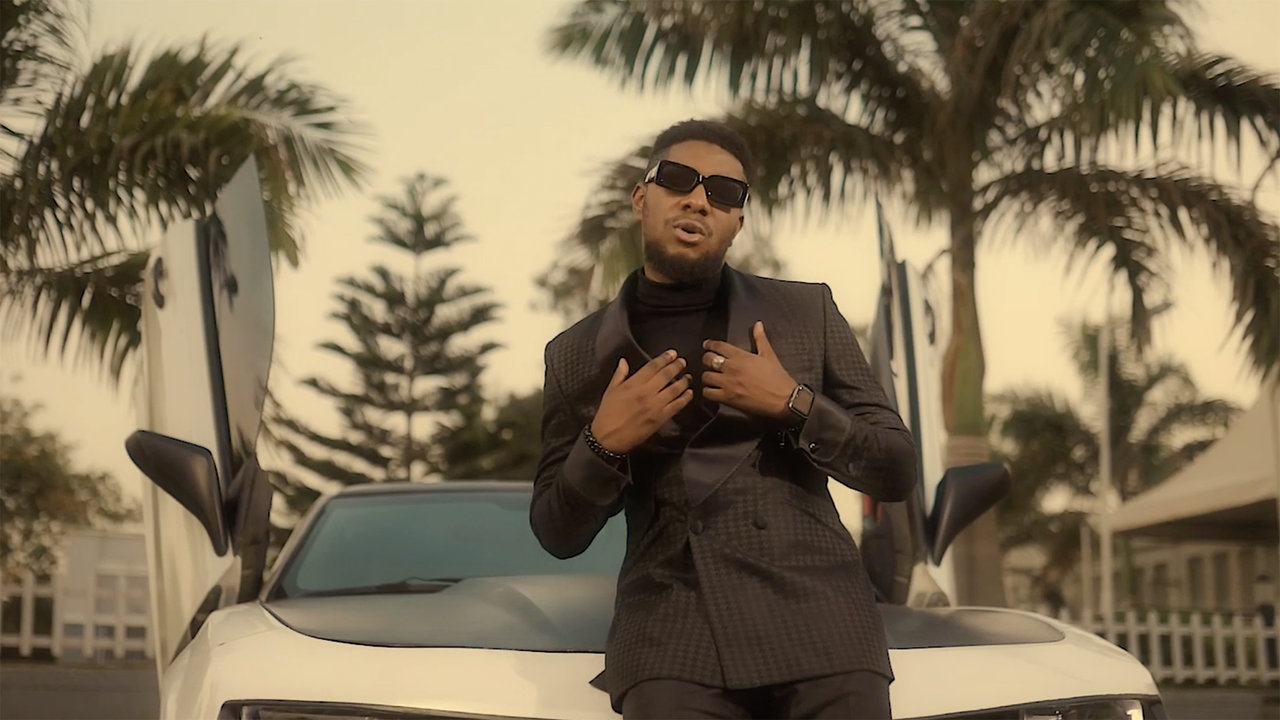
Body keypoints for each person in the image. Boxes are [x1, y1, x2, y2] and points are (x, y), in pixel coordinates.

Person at [530, 119, 918, 719]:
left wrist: (794, 404)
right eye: (678, 180)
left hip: (822, 624)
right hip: (671, 634)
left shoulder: (805, 312)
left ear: (737, 221)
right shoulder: (577, 354)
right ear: (642, 199)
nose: (697, 199)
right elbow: (557, 532)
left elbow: (895, 467)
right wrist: (603, 444)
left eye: (723, 192)